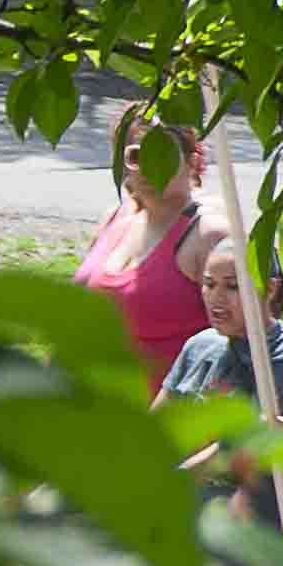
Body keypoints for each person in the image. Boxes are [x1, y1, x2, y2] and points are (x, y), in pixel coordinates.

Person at [75, 116, 223, 379]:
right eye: (137, 155)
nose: (149, 167)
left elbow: (242, 346)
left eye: (163, 154)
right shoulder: (113, 220)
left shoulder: (207, 235)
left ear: (192, 162)